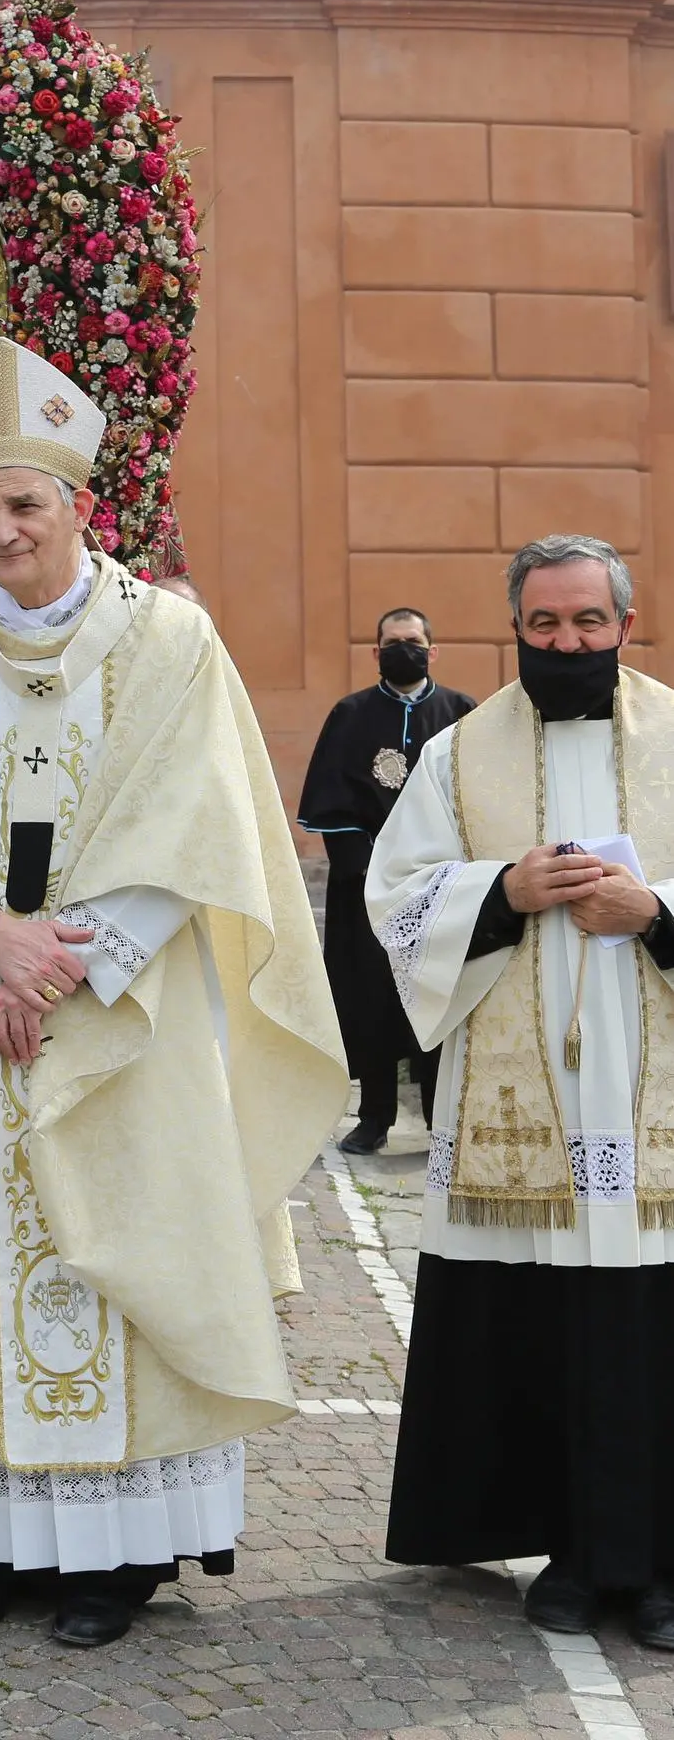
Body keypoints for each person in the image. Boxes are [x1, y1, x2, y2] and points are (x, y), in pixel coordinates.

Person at [0, 339, 345, 1648]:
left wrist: (64, 956)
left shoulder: (167, 640)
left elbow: (197, 816)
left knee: (119, 1254)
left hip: (128, 1012)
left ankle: (113, 1555)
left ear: (76, 506)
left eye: (22, 506)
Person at [368, 534, 674, 1650]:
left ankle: (655, 1567)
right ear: (516, 627)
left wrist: (657, 910)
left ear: (624, 623)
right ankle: (564, 1549)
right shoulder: (460, 754)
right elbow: (393, 893)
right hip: (521, 1105)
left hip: (655, 1102)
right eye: (544, 624)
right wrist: (501, 888)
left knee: (650, 1327)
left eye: (588, 622)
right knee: (543, 1324)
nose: (567, 642)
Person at [299, 609, 475, 1152]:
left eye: (414, 642)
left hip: (443, 889)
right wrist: (373, 866)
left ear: (432, 650)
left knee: (439, 996)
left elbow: (477, 797)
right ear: (376, 653)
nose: (405, 650)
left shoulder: (462, 714)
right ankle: (374, 1118)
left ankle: (439, 1120)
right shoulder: (349, 715)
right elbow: (329, 798)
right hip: (367, 889)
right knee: (372, 997)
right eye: (393, 643)